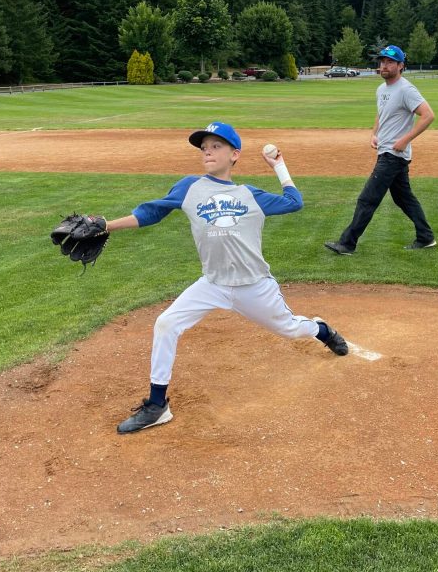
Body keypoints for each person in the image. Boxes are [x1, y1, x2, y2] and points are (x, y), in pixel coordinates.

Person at [90, 122, 349, 434]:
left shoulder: (249, 194)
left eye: (216, 146)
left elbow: (295, 202)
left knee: (291, 329)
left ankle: (320, 329)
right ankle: (158, 406)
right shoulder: (189, 187)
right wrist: (106, 225)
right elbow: (150, 213)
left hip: (254, 286)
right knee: (166, 323)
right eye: (204, 148)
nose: (208, 152)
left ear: (234, 154)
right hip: (211, 284)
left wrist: (279, 165)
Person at [324, 44, 436, 255]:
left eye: (390, 62)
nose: (384, 65)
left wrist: (405, 140)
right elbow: (381, 113)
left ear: (401, 66)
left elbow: (428, 115)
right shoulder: (381, 89)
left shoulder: (406, 89)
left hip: (393, 155)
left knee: (367, 199)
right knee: (403, 198)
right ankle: (426, 237)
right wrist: (374, 133)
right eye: (382, 61)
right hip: (386, 150)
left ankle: (347, 243)